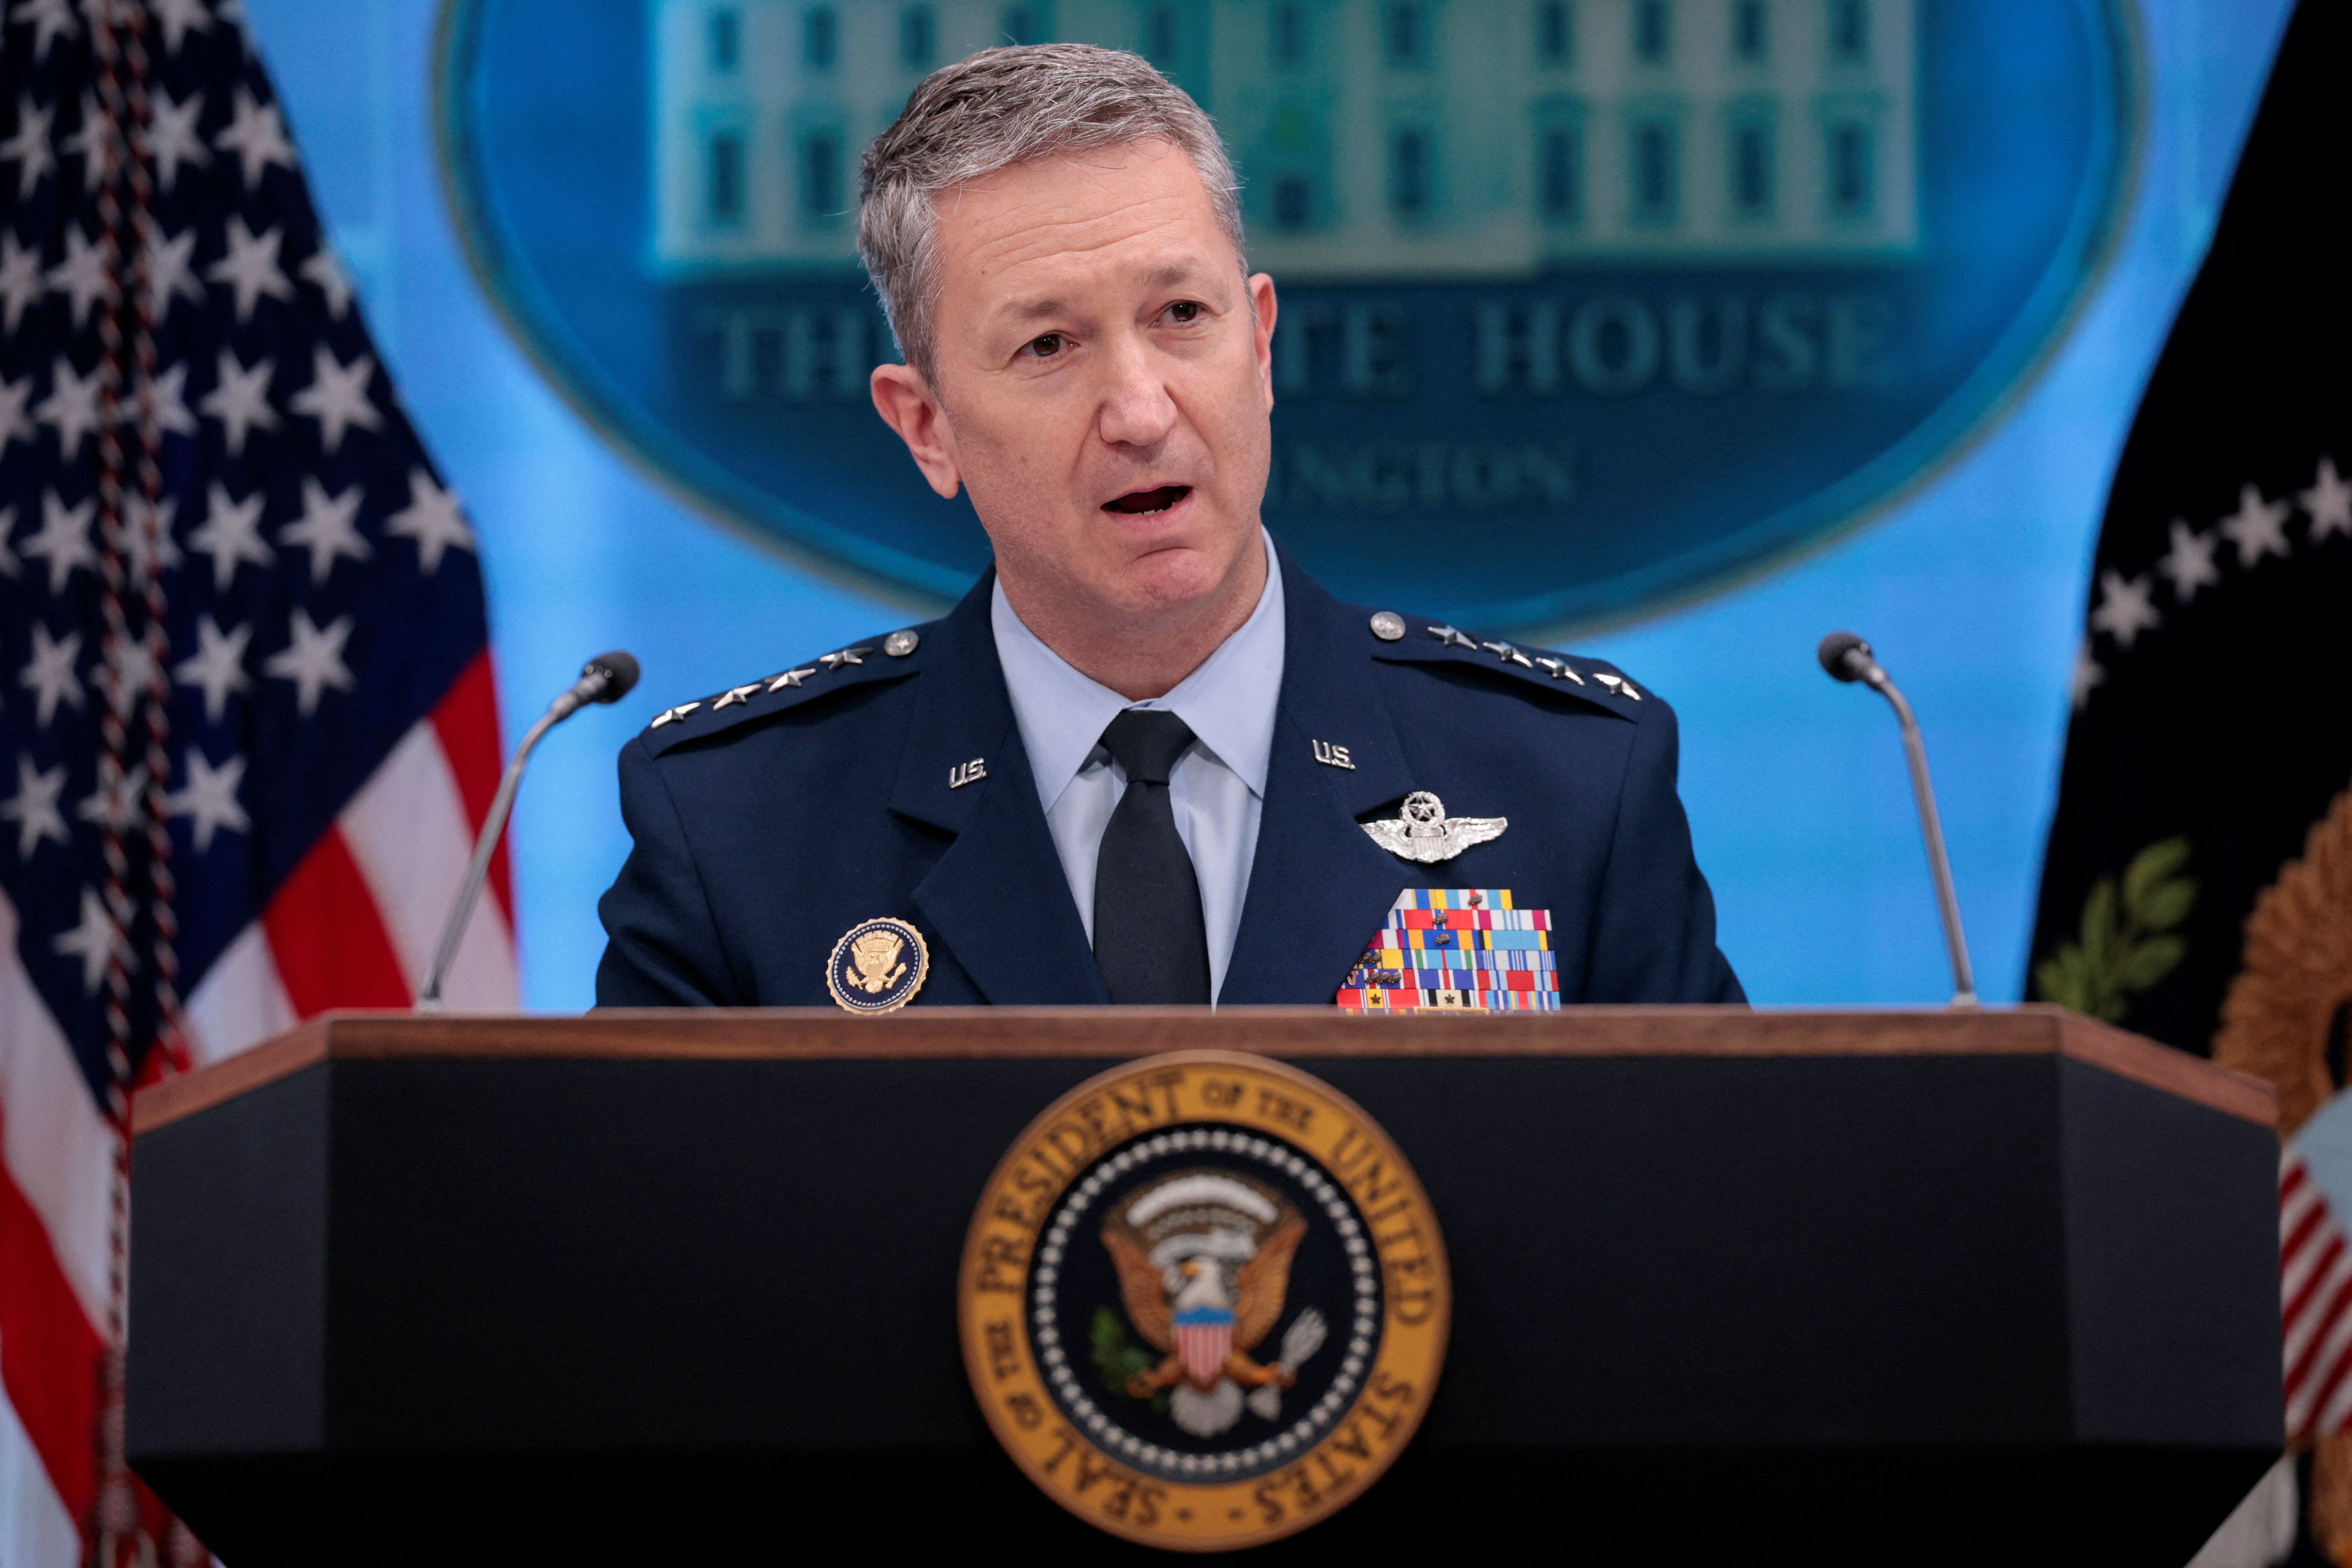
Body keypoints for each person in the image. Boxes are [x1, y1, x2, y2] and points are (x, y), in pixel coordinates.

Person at [595, 44, 1742, 1011]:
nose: (1142, 412)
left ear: (1261, 344)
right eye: (1049, 345)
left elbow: (1702, 1202)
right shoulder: (733, 830)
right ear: (927, 426)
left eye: (1181, 315)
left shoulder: (1573, 782)